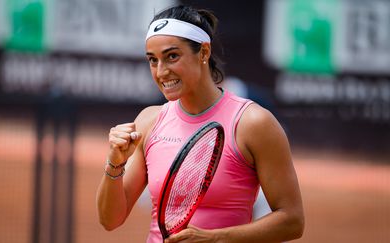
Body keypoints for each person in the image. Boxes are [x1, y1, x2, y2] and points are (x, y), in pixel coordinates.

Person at [96, 5, 304, 243]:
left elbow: (292, 220)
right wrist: (115, 162)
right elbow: (110, 220)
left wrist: (215, 239)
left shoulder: (253, 123)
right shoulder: (149, 121)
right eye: (153, 60)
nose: (161, 71)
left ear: (204, 52)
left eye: (172, 56)